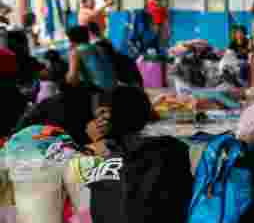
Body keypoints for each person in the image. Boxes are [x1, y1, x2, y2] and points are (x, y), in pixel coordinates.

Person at [18, 83, 153, 155]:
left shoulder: (101, 98)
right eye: (125, 132)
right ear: (104, 114)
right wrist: (91, 143)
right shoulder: (64, 116)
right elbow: (55, 160)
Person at [88, 22, 142, 87]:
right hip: (126, 70)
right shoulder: (105, 42)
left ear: (90, 32)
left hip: (121, 74)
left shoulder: (97, 46)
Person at [66, 24, 116, 92]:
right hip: (113, 86)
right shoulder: (99, 47)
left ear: (71, 40)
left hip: (98, 90)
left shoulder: (76, 52)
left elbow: (72, 79)